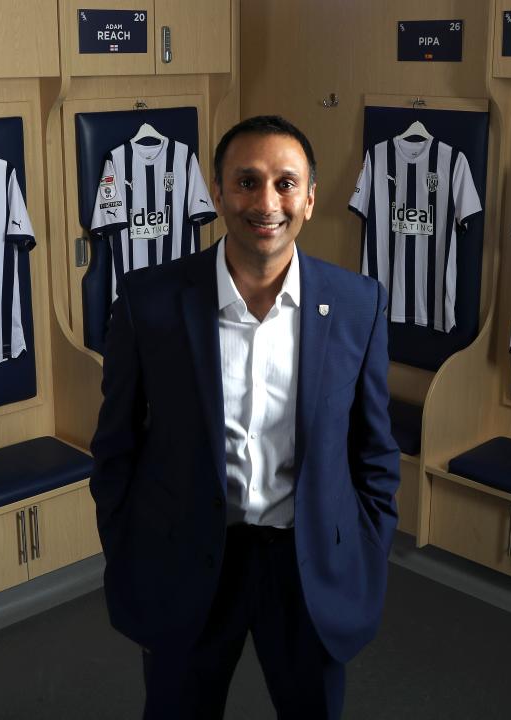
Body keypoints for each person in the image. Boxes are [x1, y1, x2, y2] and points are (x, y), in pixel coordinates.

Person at [90, 115, 400, 719]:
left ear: (310, 198)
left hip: (309, 566)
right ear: (217, 192)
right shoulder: (149, 301)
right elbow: (115, 446)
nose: (267, 202)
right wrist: (129, 544)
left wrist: (366, 546)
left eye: (286, 183)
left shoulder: (360, 306)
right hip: (186, 560)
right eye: (247, 181)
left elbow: (375, 451)